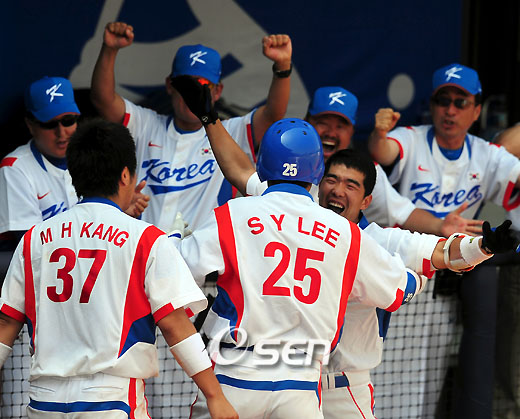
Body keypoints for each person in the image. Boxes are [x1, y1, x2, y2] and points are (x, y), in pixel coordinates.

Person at [170, 74, 519, 418]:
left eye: (351, 185)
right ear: (316, 181)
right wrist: (416, 278)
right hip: (298, 381)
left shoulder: (374, 238)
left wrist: (482, 247)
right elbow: (239, 169)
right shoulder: (323, 222)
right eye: (332, 180)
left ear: (368, 200)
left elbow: (442, 252)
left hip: (335, 384)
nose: (338, 190)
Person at [172, 116, 433, 418]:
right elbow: (399, 292)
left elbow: (174, 269)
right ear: (318, 173)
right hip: (300, 386)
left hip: (235, 375)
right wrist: (418, 278)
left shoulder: (232, 214)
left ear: (262, 167)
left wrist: (174, 237)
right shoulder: (345, 231)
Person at [0, 118, 237, 419]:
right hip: (111, 401)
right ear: (125, 175)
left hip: (45, 402)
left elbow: (6, 324)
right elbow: (174, 324)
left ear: (74, 174)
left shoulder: (34, 238)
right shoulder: (145, 238)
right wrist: (215, 395)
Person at [367, 63, 520, 418]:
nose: (450, 110)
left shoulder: (486, 154)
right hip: (402, 275)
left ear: (476, 111)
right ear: (433, 105)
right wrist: (377, 133)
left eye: (460, 102)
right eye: (443, 101)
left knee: (427, 385)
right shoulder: (411, 137)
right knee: (388, 380)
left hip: (446, 283)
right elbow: (383, 150)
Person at [90, 21, 292, 232]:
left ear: (217, 91)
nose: (193, 95)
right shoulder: (146, 124)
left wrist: (282, 66)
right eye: (187, 85)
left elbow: (273, 115)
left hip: (202, 250)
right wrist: (110, 50)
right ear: (170, 85)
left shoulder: (231, 132)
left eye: (203, 86)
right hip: (146, 247)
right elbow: (103, 100)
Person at [0, 76, 149, 249]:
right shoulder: (15, 168)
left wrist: (121, 213)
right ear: (30, 125)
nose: (61, 132)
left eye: (68, 120)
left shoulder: (95, 156)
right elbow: (32, 247)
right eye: (49, 124)